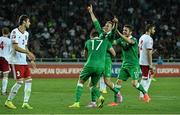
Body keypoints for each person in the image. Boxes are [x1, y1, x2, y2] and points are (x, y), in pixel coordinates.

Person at [68, 22, 116, 108]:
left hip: (90, 64)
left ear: (91, 36)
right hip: (101, 66)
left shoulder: (88, 42)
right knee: (93, 85)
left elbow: (85, 55)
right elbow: (114, 53)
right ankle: (100, 97)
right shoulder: (106, 42)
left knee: (80, 82)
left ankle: (77, 103)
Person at [86, 5, 122, 107]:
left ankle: (117, 93)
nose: (106, 26)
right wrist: (91, 12)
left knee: (107, 82)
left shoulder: (111, 36)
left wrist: (116, 23)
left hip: (106, 60)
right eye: (105, 25)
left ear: (111, 28)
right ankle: (93, 102)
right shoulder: (101, 32)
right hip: (97, 60)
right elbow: (95, 21)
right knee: (93, 82)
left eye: (108, 26)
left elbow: (115, 31)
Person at [109, 24, 151, 106]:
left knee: (134, 83)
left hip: (133, 65)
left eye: (126, 30)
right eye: (123, 30)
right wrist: (109, 36)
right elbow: (113, 42)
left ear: (130, 32)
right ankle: (115, 101)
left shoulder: (134, 39)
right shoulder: (120, 39)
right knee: (118, 82)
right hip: (125, 65)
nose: (124, 31)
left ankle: (145, 94)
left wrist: (119, 33)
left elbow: (129, 41)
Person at [5, 15, 36, 109]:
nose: (29, 23)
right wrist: (27, 52)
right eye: (28, 21)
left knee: (29, 80)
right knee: (19, 82)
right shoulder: (15, 32)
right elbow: (16, 47)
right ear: (23, 22)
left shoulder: (26, 33)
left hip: (23, 61)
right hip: (15, 60)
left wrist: (30, 58)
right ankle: (8, 101)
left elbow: (24, 46)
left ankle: (25, 103)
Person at [138, 24, 156, 99]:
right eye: (153, 29)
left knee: (149, 76)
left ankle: (143, 94)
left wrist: (141, 56)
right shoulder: (149, 39)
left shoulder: (141, 37)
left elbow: (139, 49)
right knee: (145, 78)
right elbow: (149, 53)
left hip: (141, 60)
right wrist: (150, 64)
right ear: (149, 29)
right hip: (146, 62)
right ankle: (142, 95)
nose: (154, 30)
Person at [0, 27, 11, 95]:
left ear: (2, 32)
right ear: (9, 33)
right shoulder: (9, 41)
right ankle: (3, 91)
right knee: (5, 75)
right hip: (4, 58)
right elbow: (11, 51)